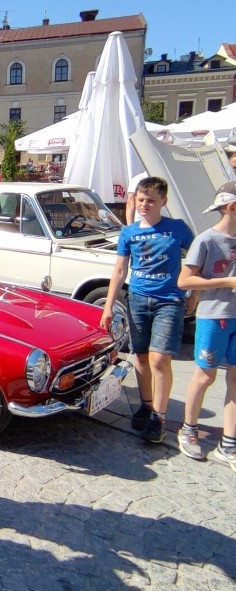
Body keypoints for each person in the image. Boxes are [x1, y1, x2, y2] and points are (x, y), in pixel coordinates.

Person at [100, 177, 194, 443]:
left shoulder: (178, 229)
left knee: (159, 359)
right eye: (140, 199)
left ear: (163, 201)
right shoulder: (129, 232)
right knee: (140, 356)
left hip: (169, 301)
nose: (144, 204)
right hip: (138, 299)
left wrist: (194, 294)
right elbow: (120, 270)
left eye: (151, 200)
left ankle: (159, 417)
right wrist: (108, 305)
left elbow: (196, 261)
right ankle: (146, 403)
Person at [175, 181, 236, 470]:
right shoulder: (206, 240)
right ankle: (188, 429)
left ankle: (229, 444)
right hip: (214, 315)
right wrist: (227, 282)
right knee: (205, 376)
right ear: (231, 207)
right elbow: (184, 280)